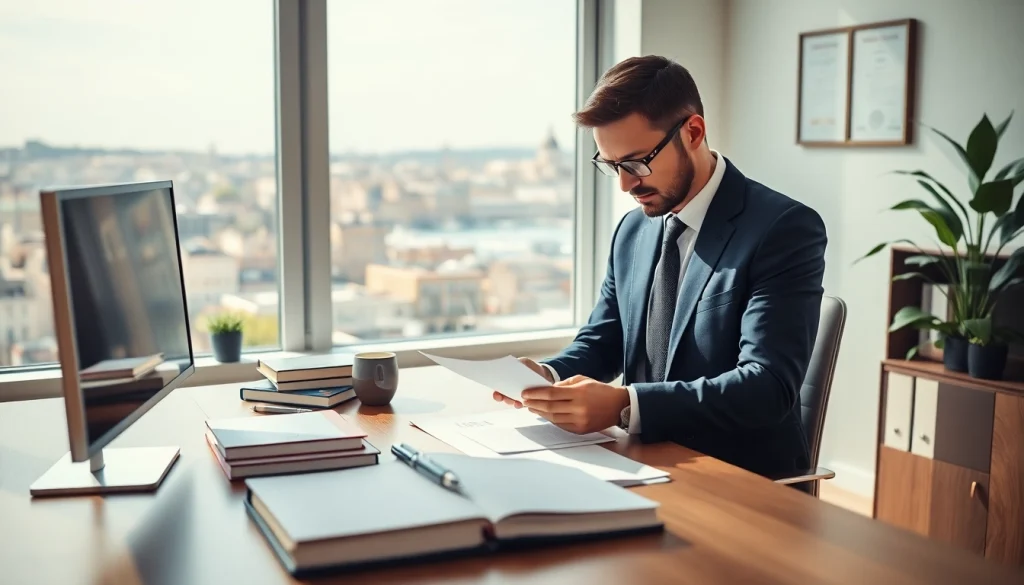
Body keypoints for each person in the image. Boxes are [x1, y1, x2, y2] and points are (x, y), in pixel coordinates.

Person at [492, 55, 827, 479]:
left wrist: (624, 403)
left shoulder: (782, 228)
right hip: (641, 462)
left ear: (693, 132)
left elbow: (766, 386)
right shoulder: (633, 231)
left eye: (634, 162)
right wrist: (547, 374)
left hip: (739, 477)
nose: (626, 184)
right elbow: (605, 339)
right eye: (611, 165)